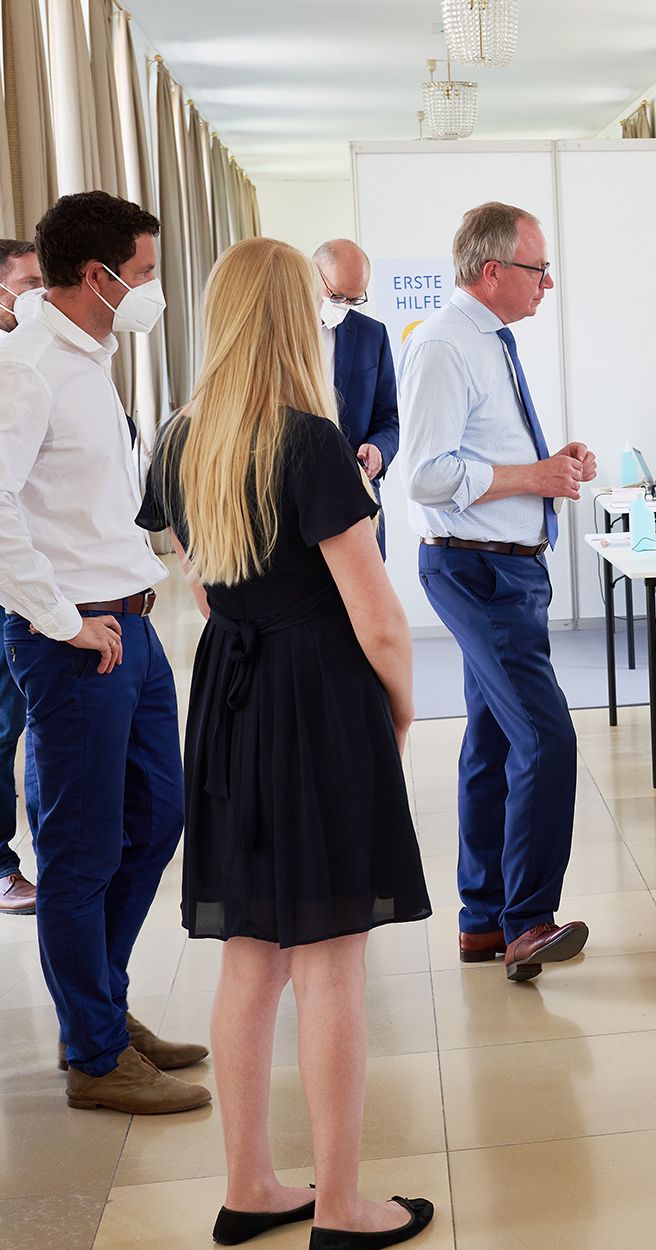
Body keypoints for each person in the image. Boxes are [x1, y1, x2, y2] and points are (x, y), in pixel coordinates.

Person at [140, 236, 433, 1249]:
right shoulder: (310, 443)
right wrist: (396, 710)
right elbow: (380, 619)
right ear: (292, 319)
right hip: (316, 694)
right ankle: (343, 1203)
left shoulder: (181, 442)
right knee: (331, 959)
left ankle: (251, 1183)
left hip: (229, 691)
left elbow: (202, 579)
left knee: (250, 957)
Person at [0, 192, 208, 1111]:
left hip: (134, 621)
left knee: (158, 821)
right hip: (77, 637)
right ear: (99, 277)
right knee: (80, 852)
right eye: (148, 274)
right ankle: (93, 1054)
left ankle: (105, 1011)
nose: (153, 293)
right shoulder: (28, 367)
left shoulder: (93, 355)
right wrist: (59, 620)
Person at [400, 201, 593, 980]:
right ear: (493, 271)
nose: (548, 283)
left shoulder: (488, 341)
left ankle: (483, 920)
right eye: (538, 269)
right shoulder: (446, 346)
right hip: (477, 568)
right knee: (547, 737)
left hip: (507, 564)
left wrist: (548, 463)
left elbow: (480, 451)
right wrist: (532, 476)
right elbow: (427, 475)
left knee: (491, 743)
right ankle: (528, 921)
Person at [0, 239, 44, 914]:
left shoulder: (28, 363)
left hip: (30, 575)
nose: (41, 293)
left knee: (21, 719)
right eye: (31, 282)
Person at [315, 240, 399, 557]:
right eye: (336, 296)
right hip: (293, 498)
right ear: (313, 275)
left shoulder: (371, 335)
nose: (344, 306)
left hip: (358, 494)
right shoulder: (278, 332)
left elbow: (389, 418)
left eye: (354, 299)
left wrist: (379, 448)